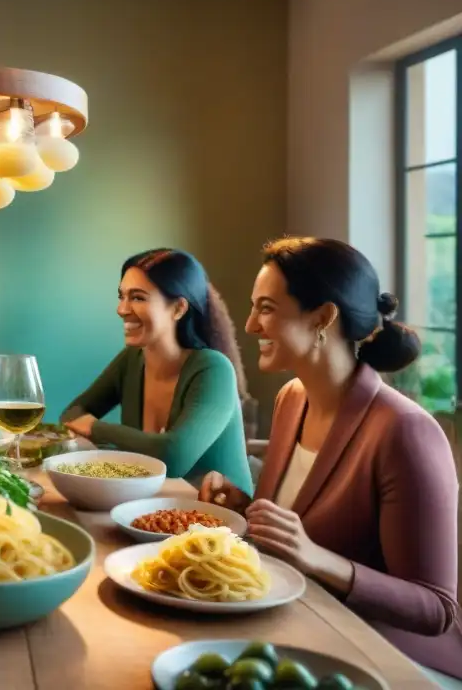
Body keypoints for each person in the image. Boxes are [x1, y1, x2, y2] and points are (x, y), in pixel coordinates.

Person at [199, 237, 462, 685]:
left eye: (266, 308)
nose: (249, 325)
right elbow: (297, 534)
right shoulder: (292, 399)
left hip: (390, 661)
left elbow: (436, 608)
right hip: (299, 629)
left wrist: (318, 559)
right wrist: (244, 508)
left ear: (322, 318)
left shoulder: (405, 431)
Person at [61, 248, 253, 495]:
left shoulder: (213, 369)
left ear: (178, 309)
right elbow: (72, 414)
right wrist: (90, 426)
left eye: (138, 298)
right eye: (122, 296)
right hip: (156, 507)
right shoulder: (132, 360)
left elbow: (173, 457)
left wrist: (96, 428)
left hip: (220, 523)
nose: (122, 309)